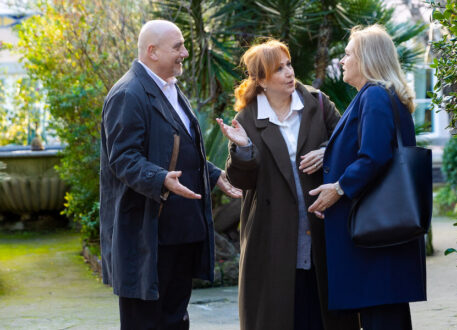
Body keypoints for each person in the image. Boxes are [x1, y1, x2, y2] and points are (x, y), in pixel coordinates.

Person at [99, 20, 241, 329]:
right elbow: (122, 159)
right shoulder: (128, 93)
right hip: (147, 237)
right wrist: (161, 178)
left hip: (179, 234)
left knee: (176, 321)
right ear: (152, 51)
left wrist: (213, 173)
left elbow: (178, 147)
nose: (185, 53)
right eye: (177, 47)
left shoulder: (171, 89)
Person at [217, 40, 359, 330]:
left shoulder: (317, 103)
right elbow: (241, 182)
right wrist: (243, 150)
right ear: (260, 80)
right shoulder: (247, 118)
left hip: (321, 229)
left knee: (324, 315)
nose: (289, 73)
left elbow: (351, 142)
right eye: (278, 69)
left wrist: (325, 150)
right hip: (272, 237)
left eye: (289, 65)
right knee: (282, 315)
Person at [308, 25, 427, 330]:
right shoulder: (381, 94)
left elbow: (374, 155)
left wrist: (339, 187)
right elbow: (372, 145)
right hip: (384, 233)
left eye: (348, 54)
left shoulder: (373, 94)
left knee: (382, 317)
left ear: (366, 59)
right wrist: (330, 155)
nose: (342, 61)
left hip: (375, 236)